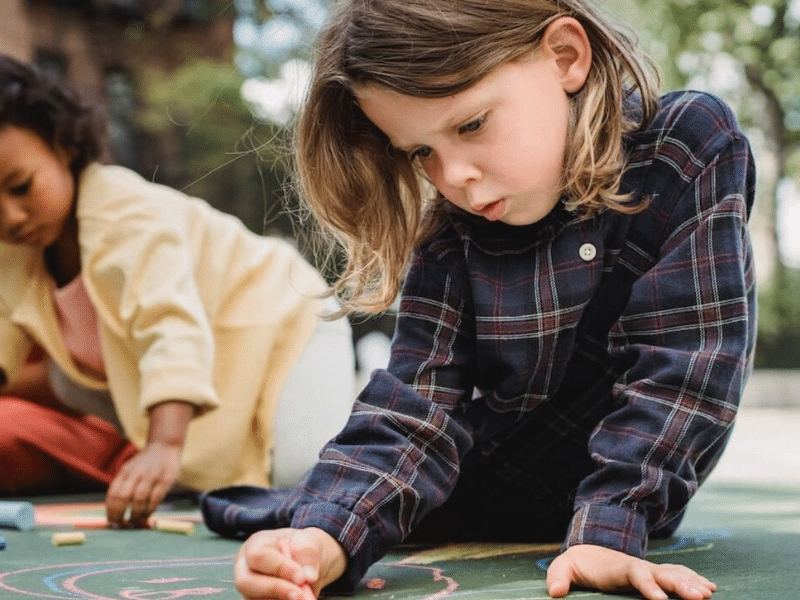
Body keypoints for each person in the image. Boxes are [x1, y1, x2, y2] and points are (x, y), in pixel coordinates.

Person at [200, 1, 757, 599]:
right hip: (452, 496)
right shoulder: (451, 235)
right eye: (420, 153)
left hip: (631, 501)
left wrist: (611, 526)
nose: (454, 176)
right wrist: (318, 541)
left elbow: (688, 365)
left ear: (565, 57)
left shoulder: (688, 146)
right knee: (308, 511)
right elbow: (415, 408)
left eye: (470, 125)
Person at [0, 54, 355, 526]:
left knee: (304, 474)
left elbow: (171, 327)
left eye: (21, 186)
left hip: (286, 318)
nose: (11, 217)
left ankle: (366, 394)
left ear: (63, 144)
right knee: (70, 381)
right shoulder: (14, 254)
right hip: (212, 357)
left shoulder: (124, 214)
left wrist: (163, 446)